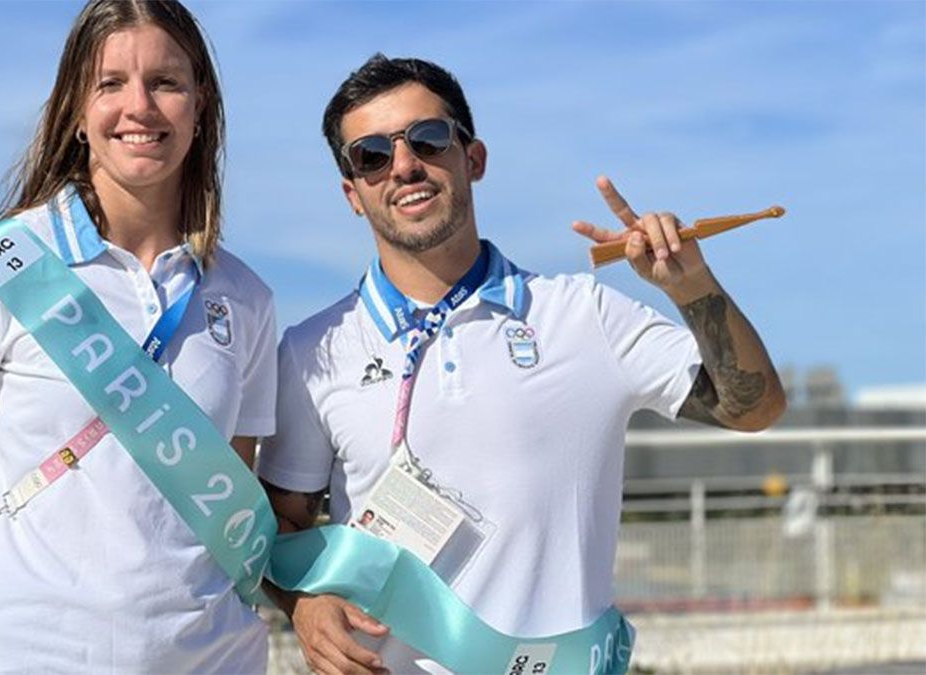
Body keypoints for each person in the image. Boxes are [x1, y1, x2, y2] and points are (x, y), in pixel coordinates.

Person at [257, 54, 785, 674]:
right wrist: (302, 604)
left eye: (427, 139)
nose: (403, 166)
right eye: (371, 155)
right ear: (353, 192)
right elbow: (281, 527)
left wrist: (690, 285)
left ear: (472, 158)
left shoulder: (584, 316)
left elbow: (754, 408)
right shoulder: (311, 349)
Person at [0, 2, 277, 672]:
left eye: (166, 83)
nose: (139, 107)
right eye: (110, 83)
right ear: (73, 110)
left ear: (201, 106)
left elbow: (229, 514)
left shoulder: (246, 298)